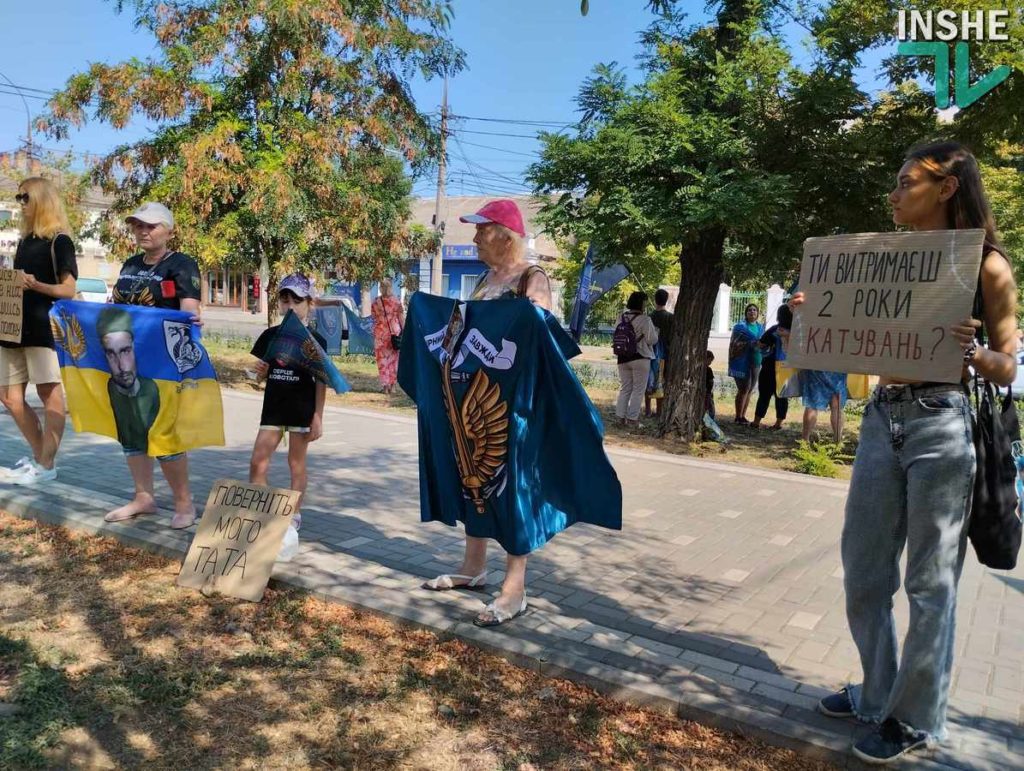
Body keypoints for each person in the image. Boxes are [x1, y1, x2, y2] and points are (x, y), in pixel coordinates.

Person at [797, 142, 1017, 765]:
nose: (893, 195)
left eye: (905, 183)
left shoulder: (986, 265)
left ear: (946, 188)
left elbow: (1006, 368)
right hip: (880, 420)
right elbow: (853, 336)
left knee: (929, 581)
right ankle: (876, 691)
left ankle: (914, 718)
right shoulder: (880, 259)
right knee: (864, 570)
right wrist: (815, 316)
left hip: (942, 425)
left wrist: (975, 353)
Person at [420, 199, 557, 627]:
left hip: (514, 409)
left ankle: (515, 589)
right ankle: (473, 567)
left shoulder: (532, 279)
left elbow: (545, 345)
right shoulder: (484, 279)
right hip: (472, 400)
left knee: (511, 490)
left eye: (481, 230)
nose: (475, 239)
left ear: (504, 234)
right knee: (471, 479)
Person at [104, 202, 202, 529]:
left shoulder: (182, 265)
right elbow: (116, 308)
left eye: (151, 226)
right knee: (132, 431)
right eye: (138, 226)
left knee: (164, 434)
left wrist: (188, 320)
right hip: (127, 363)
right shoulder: (130, 265)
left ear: (169, 230)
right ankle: (143, 497)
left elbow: (189, 313)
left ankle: (184, 505)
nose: (143, 231)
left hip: (164, 364)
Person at [0, 177, 78, 485]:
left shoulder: (60, 241)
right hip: (12, 327)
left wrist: (36, 285)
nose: (21, 204)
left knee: (48, 394)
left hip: (44, 328)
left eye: (25, 197)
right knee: (8, 396)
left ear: (42, 200)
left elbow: (69, 290)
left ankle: (46, 465)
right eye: (18, 198)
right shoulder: (23, 241)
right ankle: (39, 458)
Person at [249, 274, 326, 530]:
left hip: (301, 410)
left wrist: (317, 417)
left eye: (297, 300)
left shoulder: (316, 340)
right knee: (257, 461)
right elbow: (258, 376)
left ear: (309, 303)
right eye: (285, 300)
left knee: (296, 464)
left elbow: (321, 382)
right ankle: (263, 512)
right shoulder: (270, 335)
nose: (290, 306)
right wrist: (258, 374)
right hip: (273, 409)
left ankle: (293, 515)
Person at [98, 308, 160, 454]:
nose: (122, 366)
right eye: (111, 354)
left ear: (135, 348)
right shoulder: (104, 392)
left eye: (126, 351)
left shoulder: (153, 390)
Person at [614, 291, 658, 427]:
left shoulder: (621, 317)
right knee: (638, 390)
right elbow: (652, 340)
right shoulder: (645, 319)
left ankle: (620, 418)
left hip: (622, 357)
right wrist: (656, 332)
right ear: (642, 304)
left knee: (625, 388)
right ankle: (633, 419)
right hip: (640, 357)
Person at [751, 305, 791, 431]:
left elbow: (761, 344)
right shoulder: (795, 331)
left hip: (769, 367)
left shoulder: (775, 329)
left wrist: (757, 343)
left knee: (764, 395)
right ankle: (778, 423)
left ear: (779, 315)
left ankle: (756, 422)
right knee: (782, 396)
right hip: (786, 367)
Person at [727, 304, 764, 424]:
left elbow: (764, 342)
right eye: (749, 310)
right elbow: (743, 340)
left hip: (756, 361)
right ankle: (738, 416)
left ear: (757, 313)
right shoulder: (740, 327)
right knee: (743, 388)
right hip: (742, 361)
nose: (752, 312)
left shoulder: (761, 328)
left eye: (754, 310)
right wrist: (755, 341)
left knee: (750, 389)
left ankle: (743, 416)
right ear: (746, 313)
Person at [371, 278, 404, 395]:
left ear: (380, 288)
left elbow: (374, 318)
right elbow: (401, 319)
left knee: (382, 360)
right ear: (391, 288)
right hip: (394, 334)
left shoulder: (375, 302)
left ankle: (385, 387)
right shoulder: (396, 302)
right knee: (393, 361)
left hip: (380, 334)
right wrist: (403, 331)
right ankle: (393, 386)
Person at [644, 288, 674, 417]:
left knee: (648, 380)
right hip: (664, 353)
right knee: (660, 381)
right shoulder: (670, 318)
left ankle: (648, 409)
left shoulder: (649, 317)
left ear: (655, 299)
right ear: (666, 301)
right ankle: (659, 410)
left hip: (649, 352)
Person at [799, 369, 847, 443]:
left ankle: (804, 441)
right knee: (836, 406)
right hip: (838, 366)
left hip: (816, 365)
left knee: (812, 404)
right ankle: (838, 440)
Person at [704, 350, 716, 420]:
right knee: (709, 407)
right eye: (710, 360)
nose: (710, 362)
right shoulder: (708, 370)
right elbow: (711, 381)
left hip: (707, 391)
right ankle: (711, 419)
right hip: (707, 392)